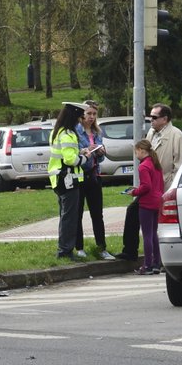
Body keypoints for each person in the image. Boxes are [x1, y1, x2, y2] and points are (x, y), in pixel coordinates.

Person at [117, 103, 182, 261]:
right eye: (150, 117)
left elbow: (181, 165)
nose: (151, 120)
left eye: (154, 117)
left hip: (164, 188)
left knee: (157, 225)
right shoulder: (151, 132)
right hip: (150, 188)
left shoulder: (176, 135)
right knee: (133, 212)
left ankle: (157, 259)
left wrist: (170, 187)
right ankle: (130, 251)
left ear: (165, 119)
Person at [48, 102, 90, 260]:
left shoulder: (58, 131)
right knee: (70, 218)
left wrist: (79, 151)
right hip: (68, 179)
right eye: (80, 117)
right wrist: (85, 157)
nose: (81, 121)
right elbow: (70, 159)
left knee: (65, 216)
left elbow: (67, 153)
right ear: (74, 116)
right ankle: (65, 251)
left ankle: (64, 249)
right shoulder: (68, 134)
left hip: (59, 179)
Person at [74, 100, 114, 259]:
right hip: (79, 176)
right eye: (88, 113)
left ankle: (101, 248)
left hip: (94, 176)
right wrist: (85, 150)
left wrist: (100, 152)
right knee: (78, 214)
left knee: (97, 214)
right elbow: (73, 153)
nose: (91, 117)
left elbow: (101, 159)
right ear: (82, 114)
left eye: (94, 114)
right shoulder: (76, 131)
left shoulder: (97, 132)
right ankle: (79, 248)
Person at [128, 139, 164, 274]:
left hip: (147, 203)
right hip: (158, 200)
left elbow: (146, 186)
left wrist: (134, 192)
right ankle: (156, 264)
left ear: (142, 151)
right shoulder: (156, 164)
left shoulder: (143, 166)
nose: (136, 155)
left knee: (147, 235)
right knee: (154, 233)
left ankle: (147, 265)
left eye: (136, 152)